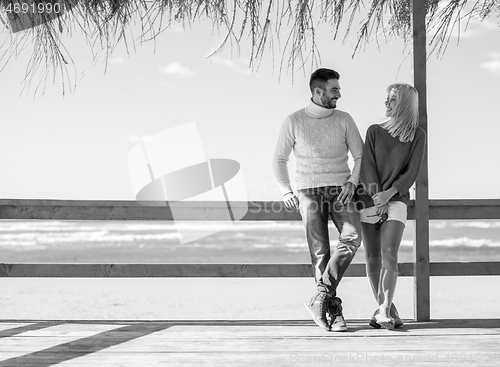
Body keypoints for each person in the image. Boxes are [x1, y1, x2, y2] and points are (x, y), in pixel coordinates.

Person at [273, 68, 364, 331]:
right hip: (307, 191)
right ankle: (332, 311)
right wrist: (286, 191)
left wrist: (352, 182)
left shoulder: (345, 119)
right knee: (320, 251)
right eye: (335, 89)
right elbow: (279, 158)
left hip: (341, 189)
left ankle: (320, 296)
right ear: (318, 91)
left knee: (352, 238)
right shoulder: (294, 121)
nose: (339, 94)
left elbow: (359, 157)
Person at [357, 83, 426, 330]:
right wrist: (378, 197)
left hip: (396, 199)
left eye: (393, 99)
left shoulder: (417, 135)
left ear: (405, 103)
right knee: (372, 256)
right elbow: (367, 168)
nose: (387, 103)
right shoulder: (374, 131)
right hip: (368, 199)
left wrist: (389, 194)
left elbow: (412, 172)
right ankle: (388, 311)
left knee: (389, 253)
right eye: (386, 98)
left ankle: (383, 309)